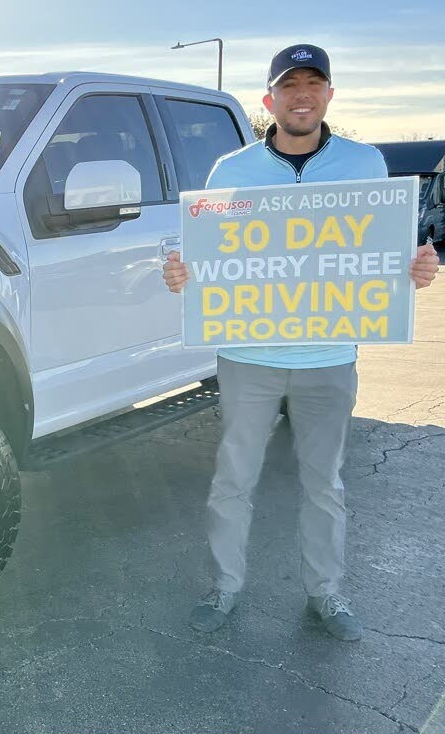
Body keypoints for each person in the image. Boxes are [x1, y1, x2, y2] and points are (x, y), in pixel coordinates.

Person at [163, 44, 439, 641]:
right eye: (290, 86)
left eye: (314, 84)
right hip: (248, 356)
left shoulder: (366, 165)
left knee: (325, 483)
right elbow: (213, 256)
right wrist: (185, 273)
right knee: (233, 479)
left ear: (330, 96)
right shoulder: (231, 172)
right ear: (270, 100)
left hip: (329, 358)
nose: (302, 95)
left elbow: (388, 253)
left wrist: (416, 268)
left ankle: (327, 595)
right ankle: (225, 587)